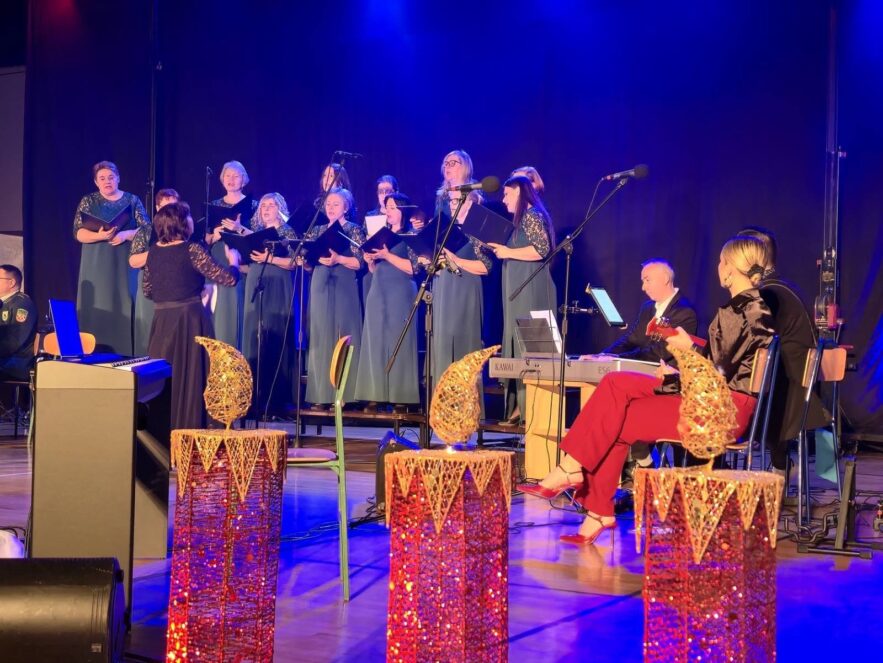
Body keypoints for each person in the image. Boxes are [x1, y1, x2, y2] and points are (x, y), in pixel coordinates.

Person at [518, 236, 775, 544]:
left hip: (720, 410)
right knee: (615, 387)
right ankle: (582, 484)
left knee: (618, 415)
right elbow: (724, 360)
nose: (718, 267)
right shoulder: (749, 307)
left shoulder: (743, 310)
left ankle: (586, 490)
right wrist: (683, 363)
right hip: (716, 399)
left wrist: (685, 355)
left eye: (721, 262)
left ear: (731, 267)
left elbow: (717, 371)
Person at [583, 258, 699, 486]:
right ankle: (635, 467)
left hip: (669, 385)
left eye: (647, 280)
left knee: (626, 406)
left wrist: (620, 360)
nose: (643, 287)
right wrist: (603, 356)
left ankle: (642, 466)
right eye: (642, 281)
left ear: (665, 279)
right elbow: (631, 339)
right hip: (644, 376)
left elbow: (660, 353)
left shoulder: (685, 312)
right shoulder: (648, 308)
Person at [142, 202, 241, 429]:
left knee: (165, 378)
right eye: (188, 218)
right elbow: (228, 279)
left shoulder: (154, 251)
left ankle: (163, 431)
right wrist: (234, 262)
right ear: (181, 223)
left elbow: (148, 290)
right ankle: (195, 427)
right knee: (194, 374)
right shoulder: (192, 249)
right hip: (189, 320)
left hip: (162, 321)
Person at [737, 226, 828, 472]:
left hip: (786, 393)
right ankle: (781, 465)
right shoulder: (784, 286)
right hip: (799, 389)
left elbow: (751, 344)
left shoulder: (769, 294)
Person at [488, 175, 557, 423]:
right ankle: (519, 407)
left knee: (530, 346)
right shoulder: (521, 221)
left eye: (507, 193)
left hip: (531, 292)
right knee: (517, 345)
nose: (504, 199)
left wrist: (508, 251)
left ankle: (533, 410)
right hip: (517, 293)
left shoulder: (533, 215)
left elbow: (541, 249)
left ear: (518, 191)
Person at [74, 161, 149, 354]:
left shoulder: (132, 200)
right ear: (96, 182)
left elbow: (146, 228)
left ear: (118, 179)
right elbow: (78, 233)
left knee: (124, 298)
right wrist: (100, 236)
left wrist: (125, 235)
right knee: (99, 300)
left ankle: (126, 351)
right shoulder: (89, 201)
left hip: (124, 259)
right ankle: (92, 350)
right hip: (96, 260)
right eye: (102, 178)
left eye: (111, 177)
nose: (107, 181)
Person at [354, 193, 420, 411]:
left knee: (399, 340)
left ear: (403, 210)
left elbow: (413, 268)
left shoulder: (410, 235)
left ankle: (401, 395)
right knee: (376, 340)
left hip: (401, 291)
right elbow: (375, 270)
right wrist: (370, 261)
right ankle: (375, 394)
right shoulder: (380, 235)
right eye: (386, 207)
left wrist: (387, 255)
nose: (388, 211)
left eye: (392, 207)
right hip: (378, 289)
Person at [302, 188, 365, 409]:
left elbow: (360, 262)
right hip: (320, 281)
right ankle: (321, 395)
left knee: (345, 333)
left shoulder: (353, 229)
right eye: (328, 204)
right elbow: (306, 262)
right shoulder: (317, 230)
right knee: (321, 335)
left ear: (346, 207)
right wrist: (309, 260)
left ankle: (346, 395)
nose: (330, 208)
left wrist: (339, 259)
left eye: (336, 204)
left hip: (344, 281)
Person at [240, 193, 298, 417]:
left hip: (278, 285)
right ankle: (254, 400)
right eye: (263, 205)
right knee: (255, 339)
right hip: (256, 282)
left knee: (275, 336)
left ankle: (277, 401)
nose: (266, 208)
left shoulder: (287, 232)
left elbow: (294, 262)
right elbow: (248, 262)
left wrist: (269, 259)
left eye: (271, 205)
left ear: (280, 209)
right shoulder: (255, 233)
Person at [206, 161, 258, 350]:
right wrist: (216, 234)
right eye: (227, 175)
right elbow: (205, 239)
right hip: (218, 258)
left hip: (240, 258)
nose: (231, 179)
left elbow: (259, 237)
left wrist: (239, 228)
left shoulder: (253, 205)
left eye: (236, 176)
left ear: (243, 180)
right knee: (217, 307)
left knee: (237, 304)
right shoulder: (214, 205)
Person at [130, 188, 179, 355]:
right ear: (158, 208)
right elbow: (133, 261)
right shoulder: (146, 231)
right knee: (149, 331)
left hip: (177, 287)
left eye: (173, 207)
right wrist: (159, 250)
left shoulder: (185, 230)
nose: (169, 212)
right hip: (150, 284)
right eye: (165, 207)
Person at [0, 265, 36, 381]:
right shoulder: (4, 303)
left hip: (14, 365)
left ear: (11, 283)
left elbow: (14, 342)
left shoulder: (22, 304)